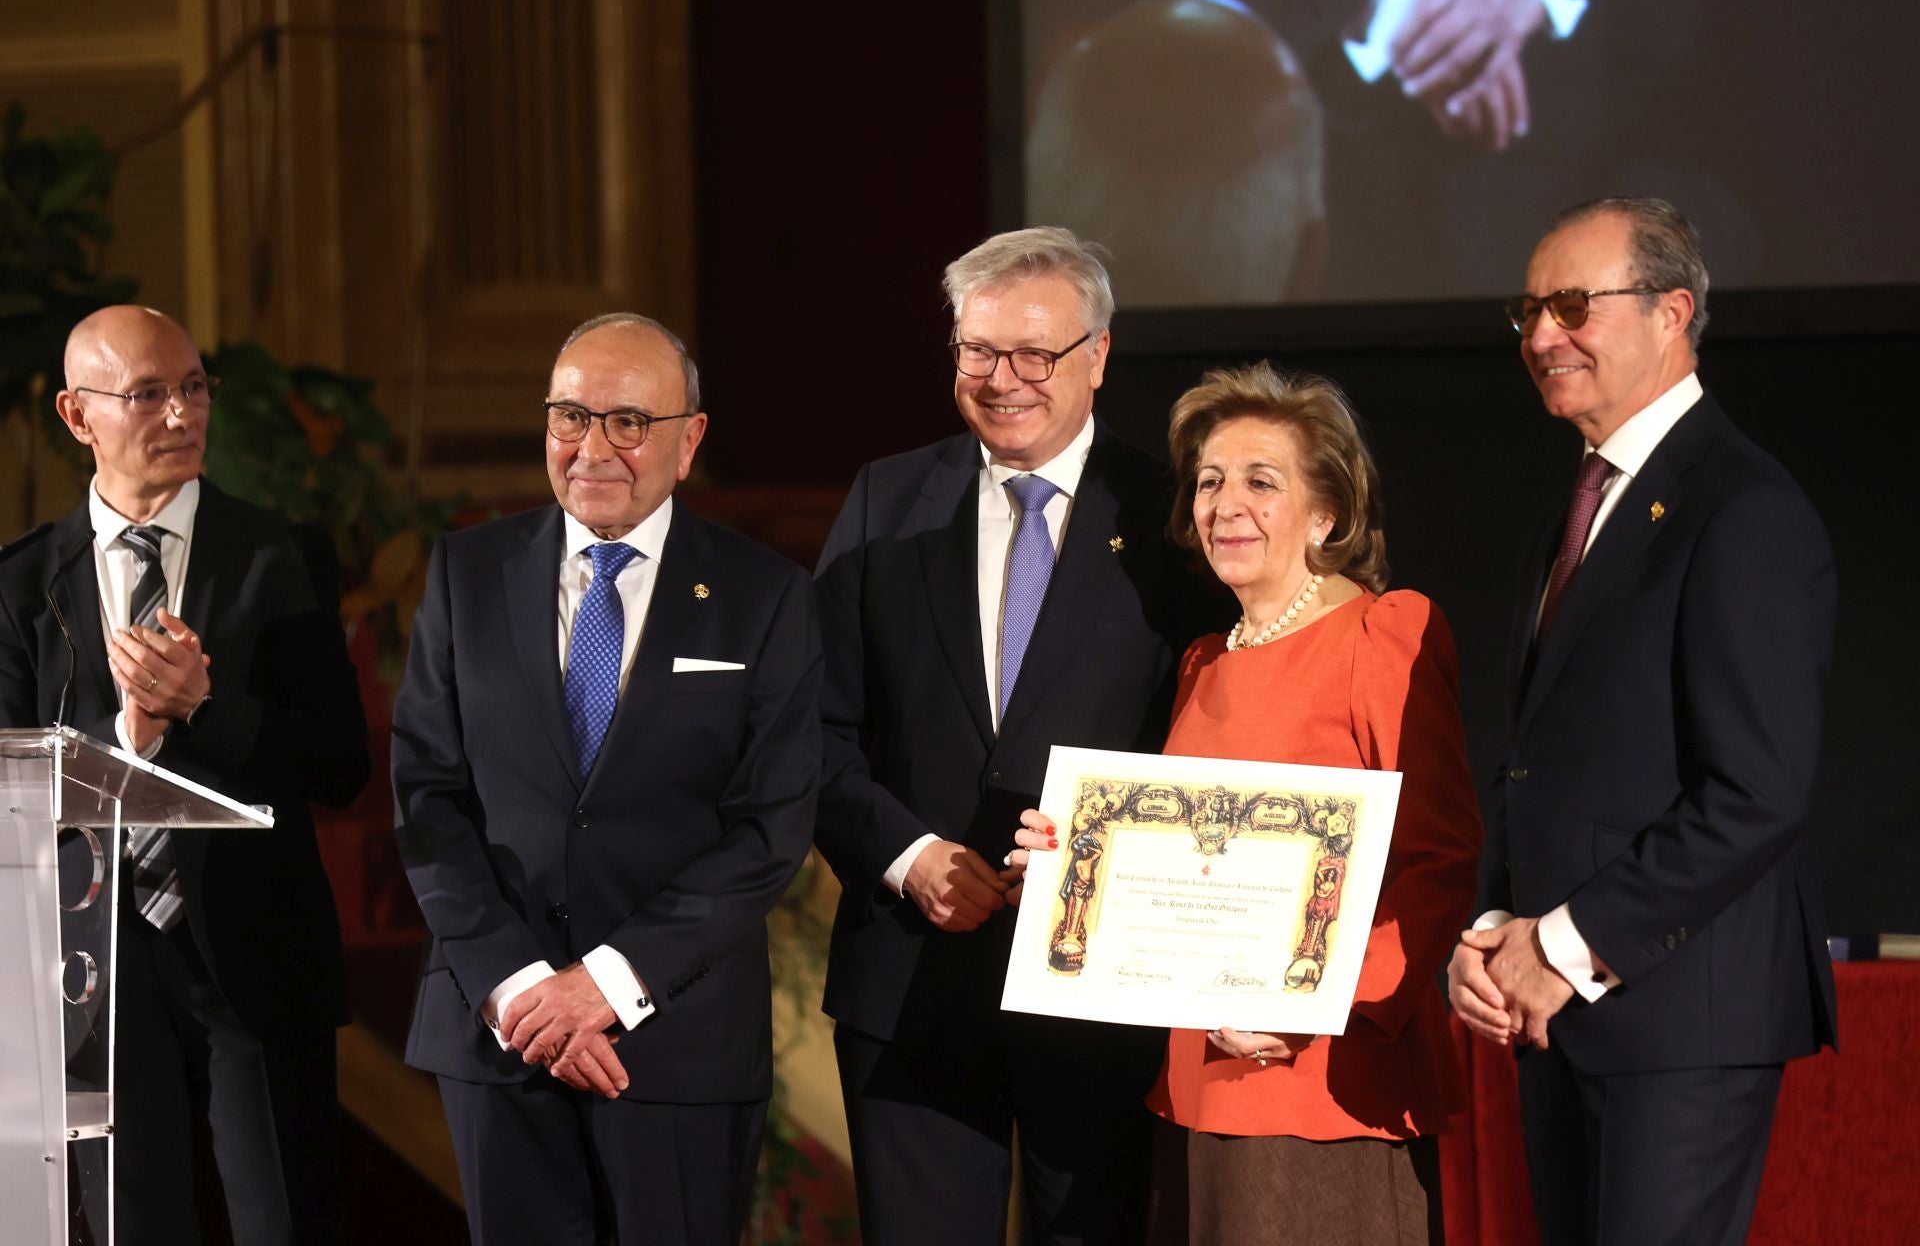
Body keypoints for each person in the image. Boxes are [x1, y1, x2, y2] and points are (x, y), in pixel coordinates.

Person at [813, 227, 1225, 1244]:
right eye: (979, 350)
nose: (1004, 380)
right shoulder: (885, 500)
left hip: (1104, 986)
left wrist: (1102, 856)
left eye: (1036, 354)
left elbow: (1214, 746)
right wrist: (910, 857)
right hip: (909, 987)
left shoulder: (1176, 516)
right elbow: (810, 730)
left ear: (1098, 355)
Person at [1009, 362, 1482, 1242]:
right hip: (1199, 1083)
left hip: (1327, 1085)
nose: (1226, 505)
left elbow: (1439, 860)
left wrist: (1314, 1006)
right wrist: (1073, 859)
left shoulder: (1382, 634)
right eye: (1209, 482)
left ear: (1326, 513)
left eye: (1261, 482)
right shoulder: (1203, 661)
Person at [1447, 196, 1838, 1245]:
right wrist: (1494, 926)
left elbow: (1756, 794)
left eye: (1574, 305)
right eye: (1529, 310)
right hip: (1560, 1013)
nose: (1541, 336)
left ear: (1672, 313)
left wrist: (1559, 947)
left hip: (1679, 1022)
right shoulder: (1584, 503)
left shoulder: (1742, 509)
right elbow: (1539, 762)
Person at [392, 313, 820, 1245]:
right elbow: (427, 798)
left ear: (689, 440)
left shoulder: (764, 595)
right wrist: (519, 988)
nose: (592, 449)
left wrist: (608, 983)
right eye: (569, 417)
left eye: (628, 421)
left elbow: (770, 829)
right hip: (500, 1036)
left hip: (675, 1043)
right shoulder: (468, 572)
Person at [0, 304, 369, 1245]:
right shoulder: (20, 583)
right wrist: (125, 734)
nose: (181, 414)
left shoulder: (281, 555)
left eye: (195, 387)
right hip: (94, 971)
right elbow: (11, 785)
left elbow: (340, 765)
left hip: (257, 956)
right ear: (77, 416)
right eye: (148, 394)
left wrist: (205, 706)